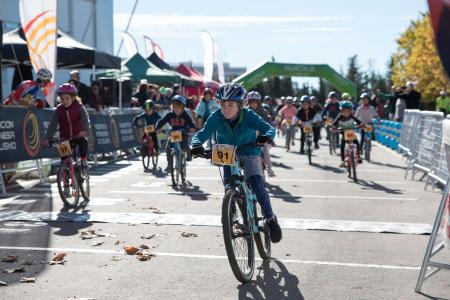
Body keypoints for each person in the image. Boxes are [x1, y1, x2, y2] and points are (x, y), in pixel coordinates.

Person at [190, 83, 282, 243]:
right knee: (229, 184)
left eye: (230, 105)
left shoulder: (249, 115)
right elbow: (201, 134)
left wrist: (266, 136)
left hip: (250, 150)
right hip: (227, 151)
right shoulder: (216, 117)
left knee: (257, 184)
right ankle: (230, 207)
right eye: (222, 104)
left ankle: (270, 218)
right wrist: (196, 145)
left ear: (240, 105)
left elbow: (269, 128)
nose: (225, 109)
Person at [43, 83, 90, 177]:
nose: (64, 101)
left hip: (78, 135)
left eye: (67, 98)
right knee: (64, 161)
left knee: (83, 141)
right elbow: (52, 125)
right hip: (65, 137)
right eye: (62, 98)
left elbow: (86, 120)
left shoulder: (79, 107)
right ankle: (66, 185)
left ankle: (84, 161)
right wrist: (47, 139)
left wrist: (84, 130)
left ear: (73, 98)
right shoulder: (58, 110)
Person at [155, 95, 196, 171]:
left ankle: (189, 153)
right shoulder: (169, 115)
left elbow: (191, 123)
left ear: (183, 107)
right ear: (172, 107)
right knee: (168, 148)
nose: (176, 109)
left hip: (183, 133)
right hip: (174, 133)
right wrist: (158, 128)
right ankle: (170, 165)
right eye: (174, 107)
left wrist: (192, 128)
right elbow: (161, 121)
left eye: (178, 107)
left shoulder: (185, 115)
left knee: (184, 146)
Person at [247, 91, 275, 177]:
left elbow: (268, 121)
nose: (253, 104)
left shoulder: (263, 110)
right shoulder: (246, 111)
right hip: (250, 135)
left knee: (265, 150)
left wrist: (268, 130)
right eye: (251, 102)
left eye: (255, 102)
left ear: (258, 102)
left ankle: (270, 169)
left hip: (261, 135)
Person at [333, 101, 362, 167]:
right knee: (342, 145)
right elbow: (335, 123)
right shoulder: (339, 117)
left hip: (351, 132)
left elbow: (358, 121)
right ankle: (343, 160)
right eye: (344, 111)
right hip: (343, 132)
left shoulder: (352, 116)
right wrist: (334, 127)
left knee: (356, 143)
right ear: (341, 111)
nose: (346, 113)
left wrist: (361, 125)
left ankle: (358, 156)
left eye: (347, 111)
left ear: (350, 111)